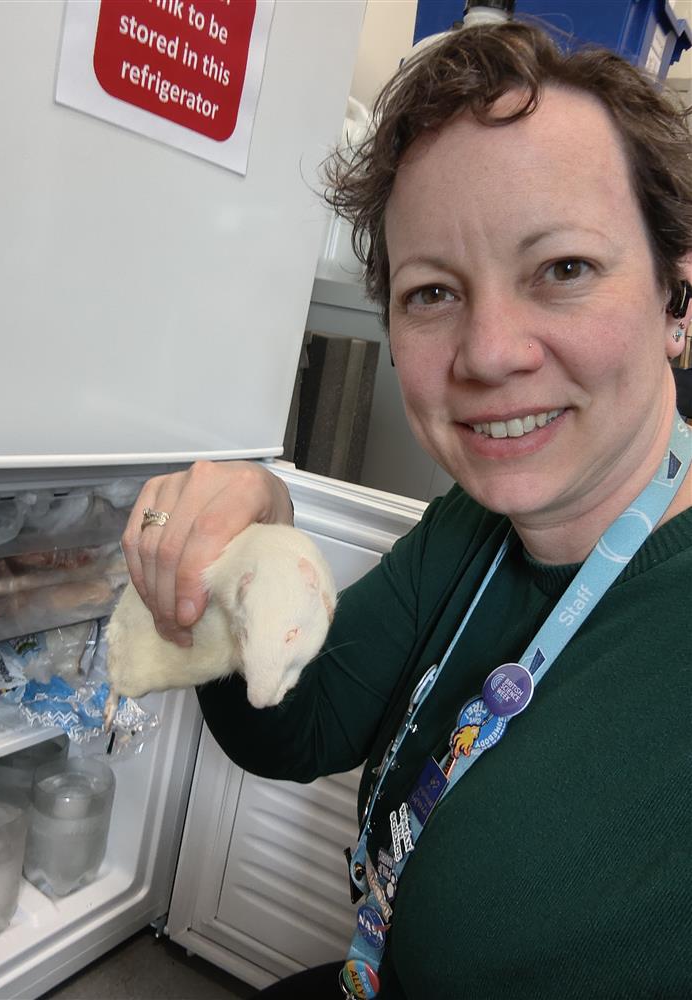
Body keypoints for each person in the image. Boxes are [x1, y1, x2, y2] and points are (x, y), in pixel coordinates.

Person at [122, 22, 692, 999]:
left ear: (678, 295)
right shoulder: (472, 528)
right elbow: (298, 725)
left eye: (562, 268)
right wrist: (254, 548)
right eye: (433, 291)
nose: (489, 352)